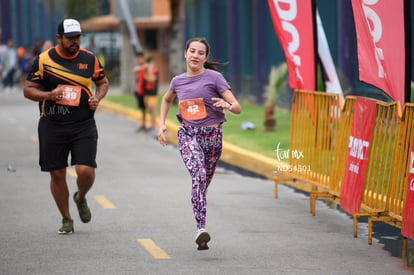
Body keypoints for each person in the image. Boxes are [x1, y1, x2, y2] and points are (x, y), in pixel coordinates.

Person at [23, 19, 109, 234]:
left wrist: (97, 98)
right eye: (70, 37)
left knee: (86, 170)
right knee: (57, 173)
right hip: (52, 124)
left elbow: (103, 82)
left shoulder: (89, 58)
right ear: (59, 38)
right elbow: (28, 89)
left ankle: (80, 196)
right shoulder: (43, 60)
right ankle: (67, 218)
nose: (75, 41)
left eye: (78, 37)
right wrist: (48, 95)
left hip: (83, 123)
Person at [157, 37, 241, 250]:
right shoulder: (177, 81)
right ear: (185, 54)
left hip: (213, 138)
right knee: (199, 175)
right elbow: (166, 99)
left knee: (203, 184)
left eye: (200, 52)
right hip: (188, 134)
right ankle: (201, 229)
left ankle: (200, 225)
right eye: (192, 51)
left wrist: (227, 105)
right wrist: (161, 125)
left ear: (205, 57)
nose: (195, 55)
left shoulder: (215, 78)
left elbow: (237, 106)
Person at [142, 55, 159, 133]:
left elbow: (152, 79)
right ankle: (151, 124)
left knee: (152, 109)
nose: (150, 64)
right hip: (146, 92)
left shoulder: (155, 71)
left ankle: (153, 125)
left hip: (153, 93)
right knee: (149, 108)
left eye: (151, 62)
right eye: (149, 63)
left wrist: (149, 70)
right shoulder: (145, 71)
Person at [132, 52, 147, 131]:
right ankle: (142, 124)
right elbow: (134, 70)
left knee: (146, 108)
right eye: (138, 58)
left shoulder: (146, 66)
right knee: (142, 108)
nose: (139, 60)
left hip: (146, 91)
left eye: (140, 58)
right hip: (139, 90)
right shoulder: (139, 68)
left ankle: (146, 124)